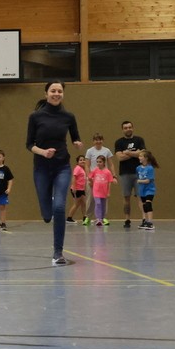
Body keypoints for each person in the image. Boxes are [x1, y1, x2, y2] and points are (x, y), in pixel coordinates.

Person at [26, 81, 83, 266]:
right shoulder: (35, 117)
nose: (56, 93)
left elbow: (75, 137)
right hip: (41, 168)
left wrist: (77, 143)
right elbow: (29, 144)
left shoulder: (69, 116)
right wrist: (43, 152)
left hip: (62, 167)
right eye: (53, 91)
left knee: (59, 207)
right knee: (47, 214)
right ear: (46, 93)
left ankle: (58, 252)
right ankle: (46, 212)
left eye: (59, 91)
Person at [114, 121, 147, 228]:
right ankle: (127, 219)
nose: (128, 129)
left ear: (132, 128)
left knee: (141, 197)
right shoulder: (119, 142)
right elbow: (120, 157)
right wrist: (135, 153)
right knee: (126, 197)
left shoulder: (139, 140)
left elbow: (142, 154)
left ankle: (144, 219)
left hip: (139, 173)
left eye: (129, 127)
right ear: (122, 130)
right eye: (125, 128)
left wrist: (128, 152)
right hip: (125, 173)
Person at [82, 133, 117, 226]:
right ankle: (88, 217)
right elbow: (87, 165)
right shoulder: (90, 151)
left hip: (103, 179)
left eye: (100, 139)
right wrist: (89, 178)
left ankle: (103, 217)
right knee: (90, 199)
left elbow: (111, 164)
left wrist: (114, 175)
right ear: (93, 141)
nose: (98, 141)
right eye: (96, 140)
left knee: (103, 199)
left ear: (102, 140)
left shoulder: (107, 151)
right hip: (93, 178)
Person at [89, 155, 115, 226]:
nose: (98, 163)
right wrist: (91, 182)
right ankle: (98, 219)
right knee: (98, 203)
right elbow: (90, 177)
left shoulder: (107, 172)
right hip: (96, 190)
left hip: (104, 191)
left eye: (100, 162)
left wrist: (108, 192)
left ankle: (102, 218)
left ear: (104, 162)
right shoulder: (95, 170)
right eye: (97, 162)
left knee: (103, 205)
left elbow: (109, 182)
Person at [137, 150, 159, 231]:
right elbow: (138, 176)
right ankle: (145, 221)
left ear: (145, 158)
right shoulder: (138, 168)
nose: (139, 157)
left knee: (148, 204)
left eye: (141, 156)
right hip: (142, 190)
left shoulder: (150, 168)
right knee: (144, 205)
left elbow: (148, 180)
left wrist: (139, 181)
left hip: (149, 189)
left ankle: (150, 222)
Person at [67, 155, 86, 224]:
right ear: (77, 162)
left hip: (81, 189)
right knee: (76, 204)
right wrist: (74, 188)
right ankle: (69, 218)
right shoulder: (77, 168)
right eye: (80, 160)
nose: (82, 161)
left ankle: (85, 218)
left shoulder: (82, 169)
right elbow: (74, 177)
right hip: (77, 189)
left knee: (83, 203)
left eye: (83, 160)